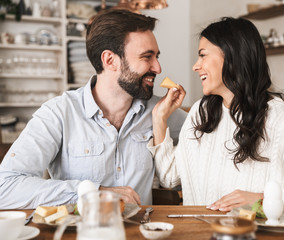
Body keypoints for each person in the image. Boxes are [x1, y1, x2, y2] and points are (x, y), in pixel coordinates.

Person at [148, 17, 284, 211]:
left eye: (203, 55)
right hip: (200, 232)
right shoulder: (201, 112)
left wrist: (263, 198)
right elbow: (169, 177)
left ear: (232, 56)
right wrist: (159, 118)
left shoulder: (281, 119)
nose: (196, 66)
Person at [0, 9, 187, 209]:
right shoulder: (58, 113)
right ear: (109, 60)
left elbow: (212, 134)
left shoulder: (161, 111)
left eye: (156, 56)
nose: (158, 68)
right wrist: (93, 192)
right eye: (147, 57)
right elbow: (6, 186)